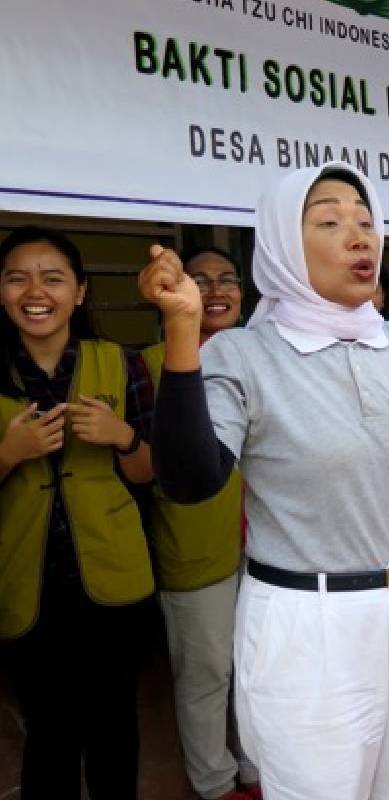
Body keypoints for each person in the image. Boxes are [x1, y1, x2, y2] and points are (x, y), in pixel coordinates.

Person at [140, 162, 389, 799]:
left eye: (366, 221)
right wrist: (180, 329)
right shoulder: (242, 354)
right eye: (330, 222)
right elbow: (189, 480)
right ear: (282, 244)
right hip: (310, 623)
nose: (359, 237)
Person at [0, 225, 156, 799]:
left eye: (53, 277)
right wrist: (7, 456)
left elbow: (150, 472)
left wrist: (123, 438)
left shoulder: (121, 364)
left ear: (81, 292)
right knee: (50, 735)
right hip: (26, 585)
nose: (34, 290)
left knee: (115, 726)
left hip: (114, 582)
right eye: (17, 277)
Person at [142, 247, 260, 800]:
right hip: (195, 547)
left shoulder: (264, 355)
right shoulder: (147, 362)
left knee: (261, 665)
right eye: (201, 279)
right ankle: (215, 785)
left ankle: (261, 770)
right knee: (208, 673)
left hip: (267, 545)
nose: (217, 291)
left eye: (228, 280)